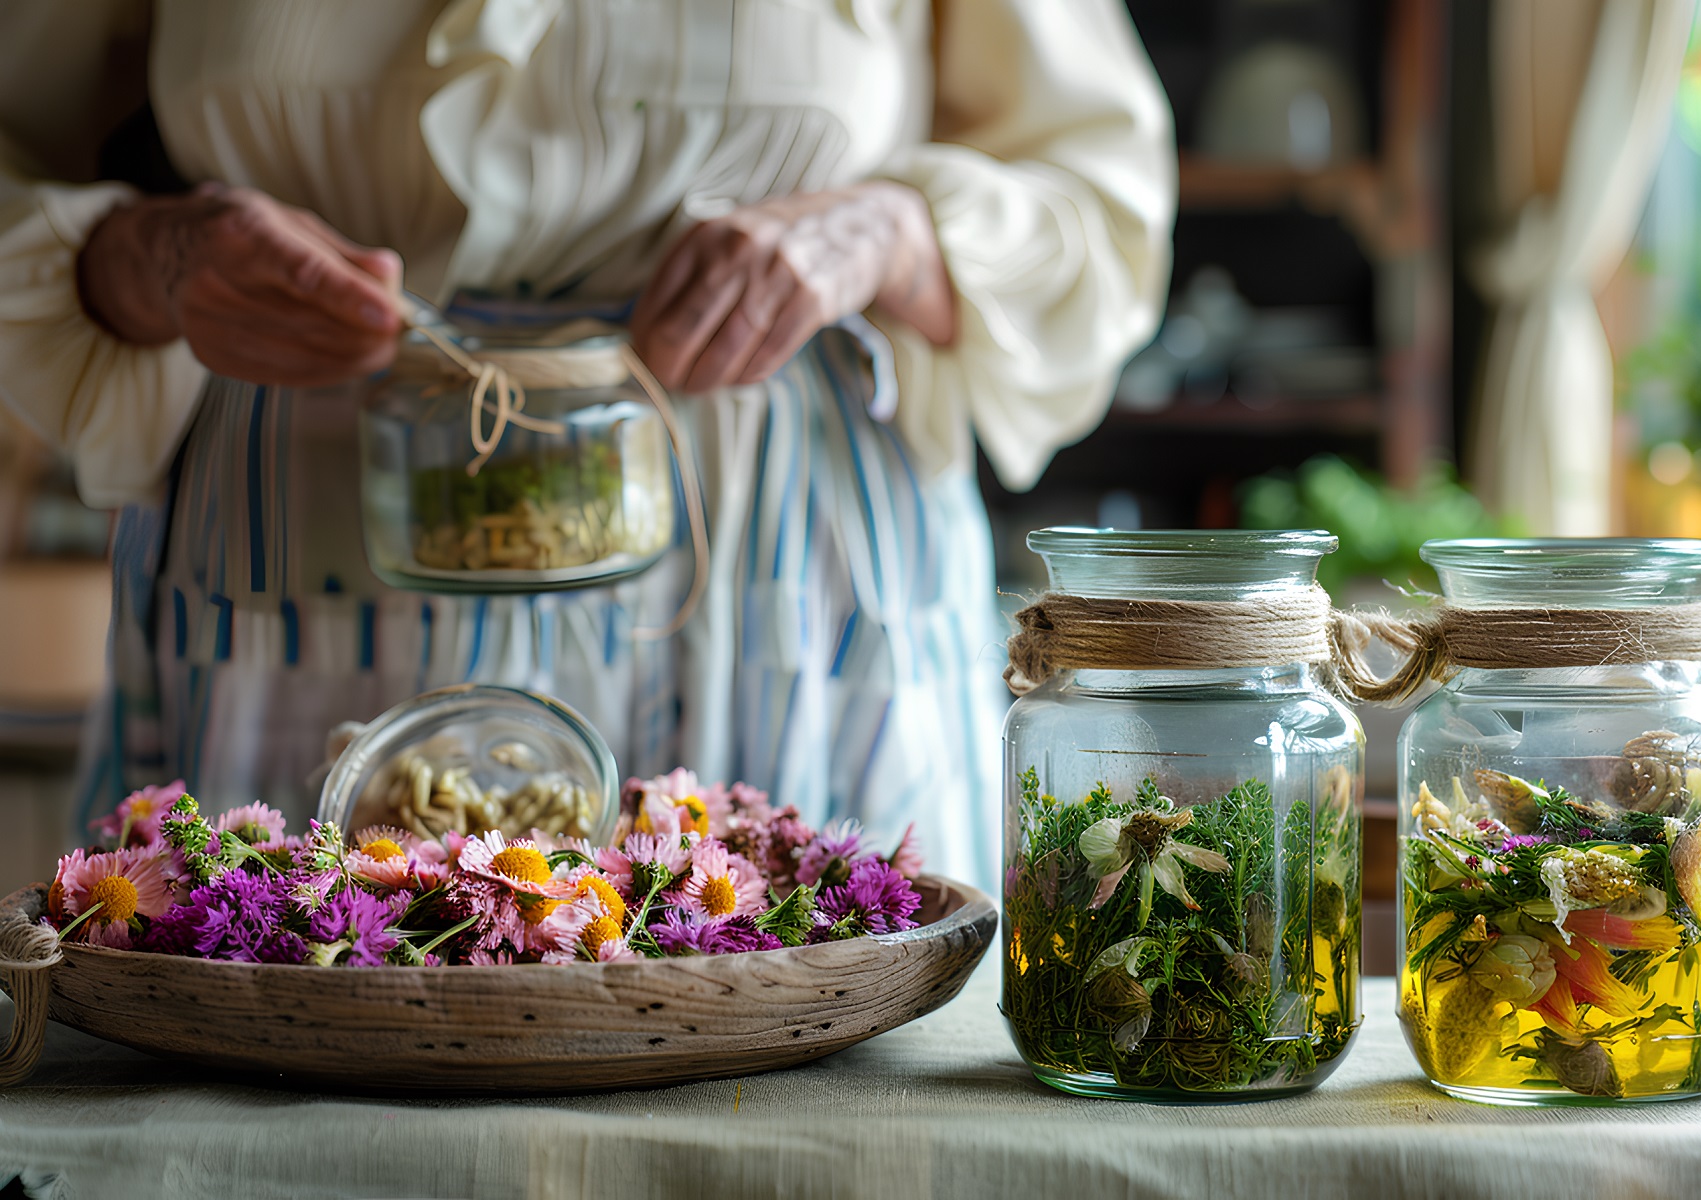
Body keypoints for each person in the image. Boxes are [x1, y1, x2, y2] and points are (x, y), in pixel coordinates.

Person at [0, 0, 1173, 889]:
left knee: (809, 1071)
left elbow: (1103, 201)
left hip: (772, 554)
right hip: (302, 523)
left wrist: (894, 237)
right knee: (278, 1067)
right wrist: (135, 256)